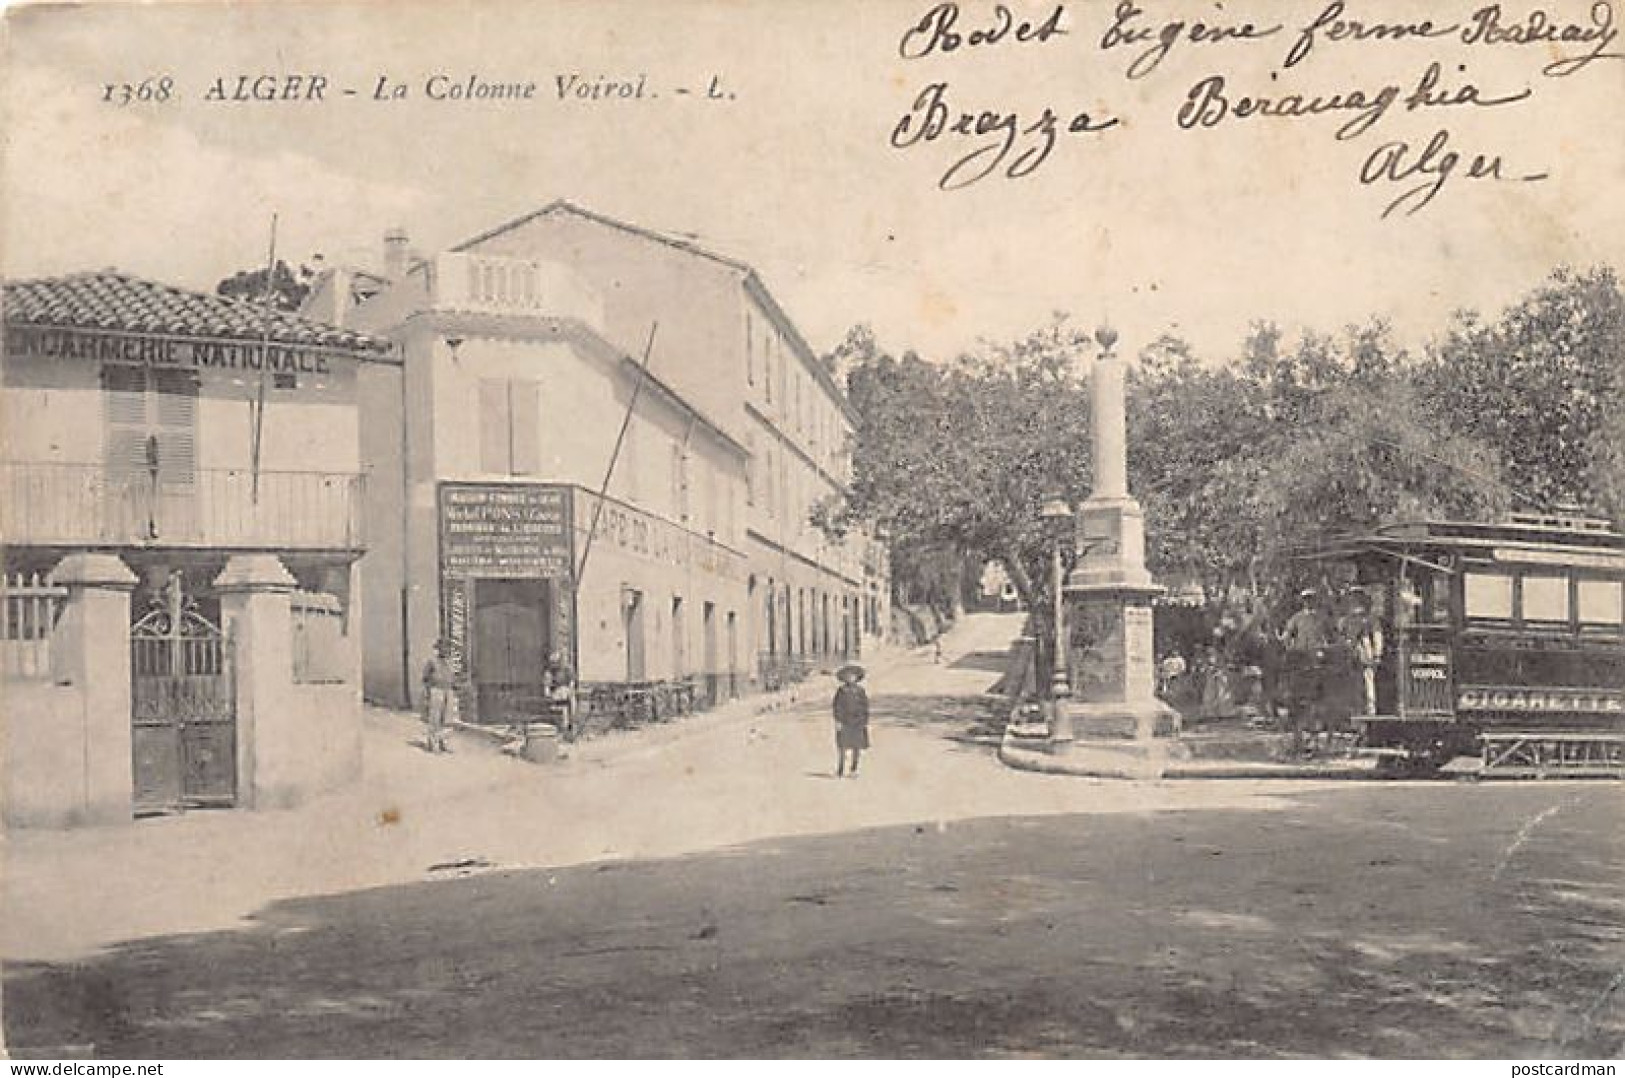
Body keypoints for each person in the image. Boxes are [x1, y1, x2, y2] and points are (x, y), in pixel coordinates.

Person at [421, 637, 458, 753]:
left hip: (448, 691)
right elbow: (425, 678)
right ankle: (433, 743)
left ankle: (444, 742)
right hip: (436, 690)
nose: (445, 650)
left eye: (447, 648)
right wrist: (427, 693)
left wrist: (454, 688)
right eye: (443, 648)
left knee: (447, 718)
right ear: (438, 649)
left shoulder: (451, 662)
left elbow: (453, 677)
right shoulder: (432, 661)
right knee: (435, 718)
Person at [832, 664, 870, 778]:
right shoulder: (841, 691)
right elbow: (836, 706)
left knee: (856, 747)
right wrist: (838, 720)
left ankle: (854, 768)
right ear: (844, 678)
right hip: (845, 720)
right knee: (842, 747)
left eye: (853, 676)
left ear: (857, 678)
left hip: (858, 721)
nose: (850, 678)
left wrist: (865, 720)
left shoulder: (860, 691)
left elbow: (865, 706)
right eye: (848, 676)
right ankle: (840, 769)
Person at [545, 651, 577, 740]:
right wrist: (548, 693)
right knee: (558, 709)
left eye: (556, 663)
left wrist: (569, 691)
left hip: (566, 691)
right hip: (556, 692)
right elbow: (547, 685)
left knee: (569, 706)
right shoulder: (550, 671)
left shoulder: (567, 669)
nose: (554, 665)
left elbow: (571, 682)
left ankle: (569, 729)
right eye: (552, 663)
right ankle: (560, 729)